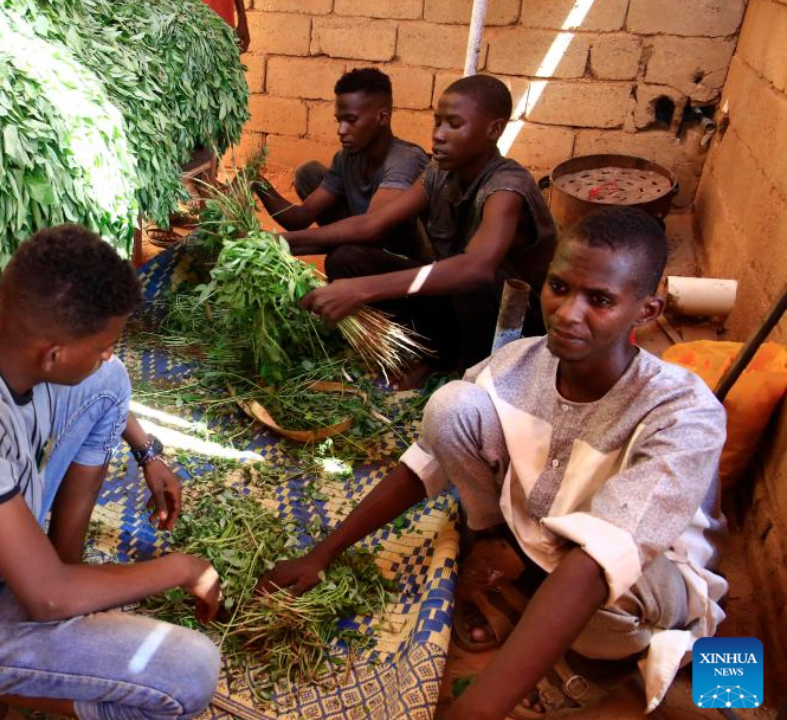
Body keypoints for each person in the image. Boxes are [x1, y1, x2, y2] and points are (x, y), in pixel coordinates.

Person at [258, 207, 728, 718]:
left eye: (600, 300)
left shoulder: (681, 412)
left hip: (640, 576)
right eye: (559, 286)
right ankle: (506, 560)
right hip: (539, 537)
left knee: (609, 621)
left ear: (647, 311)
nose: (569, 313)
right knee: (452, 404)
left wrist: (474, 711)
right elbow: (426, 461)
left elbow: (602, 559)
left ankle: (563, 644)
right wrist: (323, 554)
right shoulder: (518, 363)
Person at [0, 225, 222, 720]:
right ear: (53, 355)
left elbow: (107, 387)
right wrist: (183, 568)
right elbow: (49, 599)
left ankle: (48, 593)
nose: (108, 354)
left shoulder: (1, 347)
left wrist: (147, 451)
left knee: (110, 384)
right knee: (188, 672)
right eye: (102, 345)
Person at [289, 74, 557, 375]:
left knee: (472, 276)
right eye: (437, 122)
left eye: (454, 125)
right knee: (348, 259)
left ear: (493, 129)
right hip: (454, 309)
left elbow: (477, 268)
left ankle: (466, 372)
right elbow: (374, 224)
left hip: (507, 325)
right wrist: (283, 243)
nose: (439, 135)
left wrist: (364, 289)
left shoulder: (507, 187)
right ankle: (427, 352)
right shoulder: (437, 172)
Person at [254, 68, 428, 251]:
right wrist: (257, 182)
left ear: (382, 118)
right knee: (309, 174)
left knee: (344, 257)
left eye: (351, 120)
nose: (341, 130)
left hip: (406, 263)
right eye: (339, 121)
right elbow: (300, 218)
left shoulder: (405, 159)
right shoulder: (346, 159)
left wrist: (274, 241)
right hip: (363, 245)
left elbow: (371, 229)